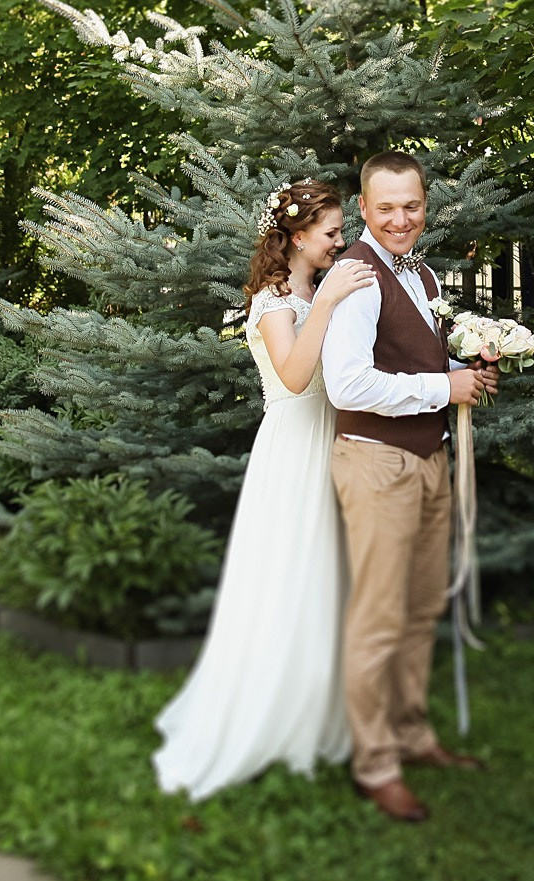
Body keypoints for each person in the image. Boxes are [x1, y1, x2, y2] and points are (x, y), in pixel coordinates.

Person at [152, 178, 376, 800]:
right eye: (331, 233)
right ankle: (271, 717)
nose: (341, 242)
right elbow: (297, 376)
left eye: (340, 232)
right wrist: (328, 302)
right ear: (298, 237)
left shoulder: (317, 286)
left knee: (332, 575)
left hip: (337, 440)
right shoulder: (276, 301)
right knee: (290, 575)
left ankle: (326, 713)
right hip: (294, 447)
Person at [320, 151, 497, 823]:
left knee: (420, 606)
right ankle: (375, 764)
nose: (400, 218)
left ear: (426, 206)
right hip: (376, 462)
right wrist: (440, 386)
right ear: (363, 209)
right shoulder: (357, 276)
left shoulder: (419, 273)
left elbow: (417, 358)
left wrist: (466, 368)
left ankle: (413, 734)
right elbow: (349, 383)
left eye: (412, 205)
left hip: (427, 458)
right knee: (378, 617)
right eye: (386, 206)